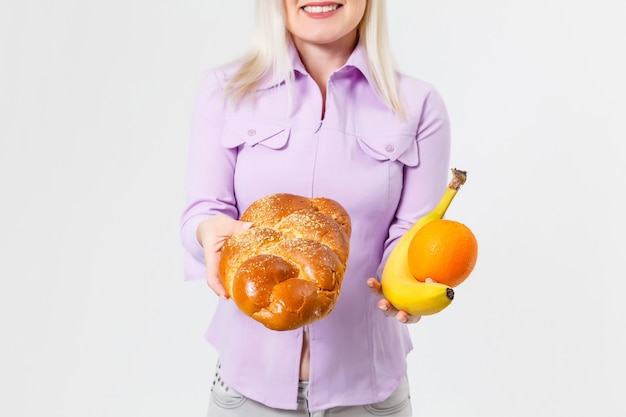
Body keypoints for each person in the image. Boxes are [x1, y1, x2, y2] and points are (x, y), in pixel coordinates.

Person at [180, 1, 451, 415]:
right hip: (247, 390)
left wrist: (408, 291)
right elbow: (203, 211)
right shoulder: (226, 89)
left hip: (368, 394)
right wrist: (205, 232)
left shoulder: (417, 105)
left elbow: (409, 239)